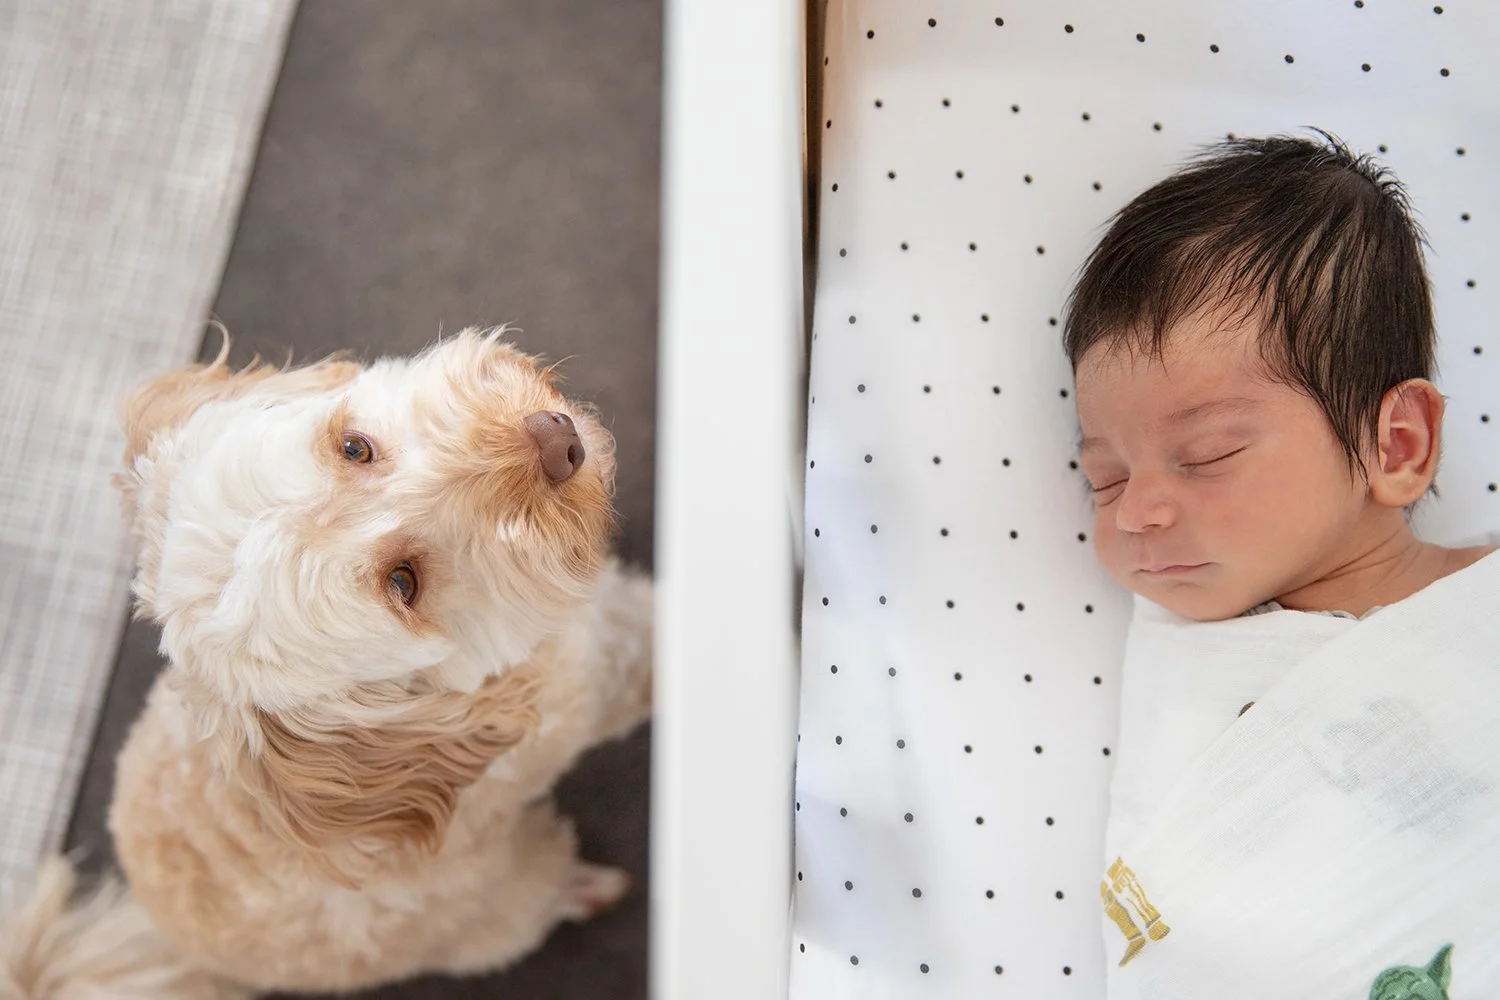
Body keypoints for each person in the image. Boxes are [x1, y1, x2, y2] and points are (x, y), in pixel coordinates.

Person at [1062, 130, 1500, 999]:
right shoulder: (1198, 665)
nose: (1138, 509)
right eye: (1103, 476)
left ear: (1396, 443)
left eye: (1210, 454)